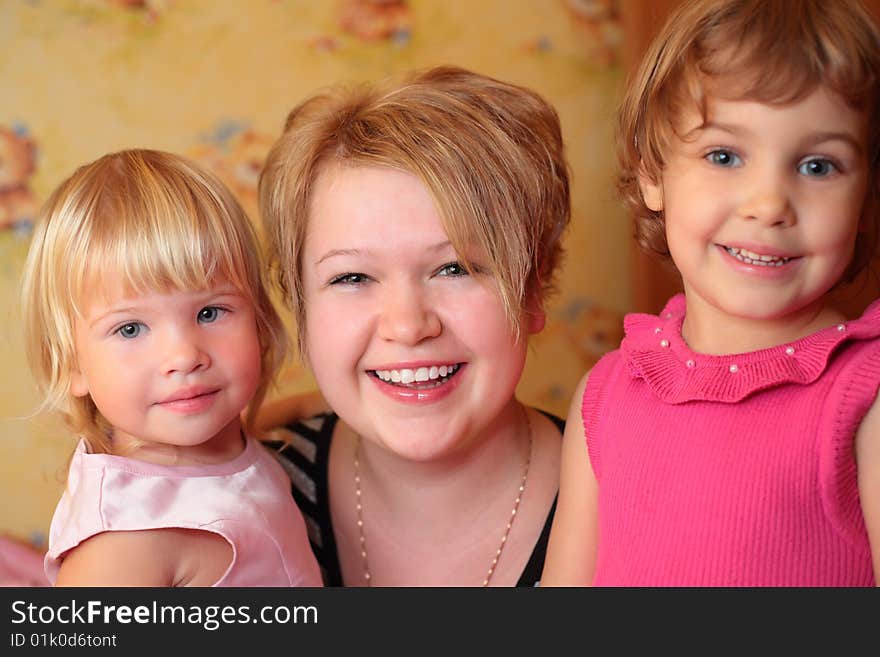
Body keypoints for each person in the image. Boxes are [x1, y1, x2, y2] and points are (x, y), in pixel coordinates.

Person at [542, 0, 880, 587]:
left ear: (867, 195)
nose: (769, 204)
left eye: (819, 166)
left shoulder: (867, 396)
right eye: (724, 155)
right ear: (652, 174)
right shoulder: (608, 395)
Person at [257, 66, 571, 586]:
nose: (407, 326)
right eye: (352, 276)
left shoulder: (628, 503)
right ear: (299, 306)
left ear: (533, 288)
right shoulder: (240, 496)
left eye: (455, 269)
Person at [21, 149, 322, 587]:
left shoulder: (222, 440)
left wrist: (328, 397)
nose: (184, 356)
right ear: (69, 363)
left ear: (257, 319)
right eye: (129, 329)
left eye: (210, 313)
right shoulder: (124, 548)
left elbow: (257, 441)